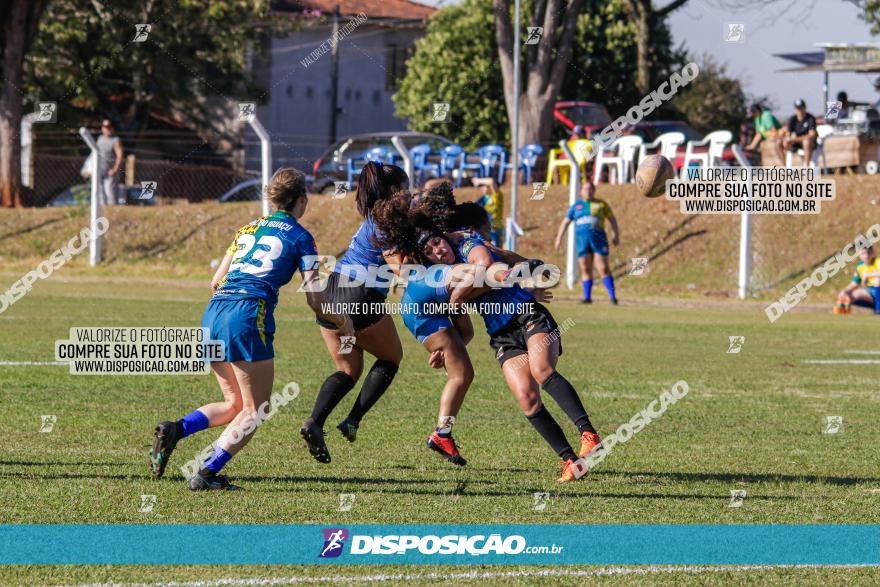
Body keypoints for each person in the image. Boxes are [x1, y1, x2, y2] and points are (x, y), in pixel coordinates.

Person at [149, 168, 333, 490]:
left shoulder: (247, 228)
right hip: (247, 314)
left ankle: (176, 429)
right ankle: (207, 474)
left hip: (214, 312)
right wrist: (338, 320)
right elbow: (314, 296)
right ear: (302, 199)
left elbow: (215, 281)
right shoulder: (302, 236)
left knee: (235, 404)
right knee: (255, 410)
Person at [300, 161, 409, 463]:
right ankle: (352, 420)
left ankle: (315, 422)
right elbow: (400, 268)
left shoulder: (372, 217)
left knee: (348, 370)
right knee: (391, 358)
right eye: (406, 189)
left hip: (332, 291)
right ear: (393, 191)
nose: (409, 195)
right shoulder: (388, 220)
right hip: (362, 294)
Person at [553, 179, 620, 304]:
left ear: (594, 190)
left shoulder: (601, 204)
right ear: (581, 191)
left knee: (603, 268)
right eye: (585, 189)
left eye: (591, 189)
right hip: (582, 242)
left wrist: (616, 235)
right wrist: (558, 239)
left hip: (599, 241)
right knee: (585, 268)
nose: (588, 191)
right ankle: (587, 297)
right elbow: (565, 222)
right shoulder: (576, 206)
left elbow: (612, 220)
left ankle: (612, 297)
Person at [835, 245, 880, 315]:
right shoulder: (859, 266)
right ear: (859, 255)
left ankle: (878, 311)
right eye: (863, 253)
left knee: (877, 281)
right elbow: (854, 284)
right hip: (870, 292)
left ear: (872, 253)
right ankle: (842, 315)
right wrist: (844, 291)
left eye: (868, 253)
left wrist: (868, 275)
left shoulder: (878, 261)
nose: (866, 256)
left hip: (877, 289)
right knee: (849, 295)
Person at [96, 120, 123, 206]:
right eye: (104, 127)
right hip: (99, 170)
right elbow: (94, 154)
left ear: (112, 128)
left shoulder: (115, 140)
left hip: (110, 171)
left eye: (108, 127)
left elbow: (119, 156)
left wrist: (115, 169)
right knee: (100, 194)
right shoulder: (100, 139)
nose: (106, 129)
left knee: (110, 193)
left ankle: (112, 212)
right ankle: (102, 213)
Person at [783, 99, 818, 167]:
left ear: (805, 108)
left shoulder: (810, 118)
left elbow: (812, 135)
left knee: (806, 142)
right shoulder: (792, 119)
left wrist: (795, 139)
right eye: (797, 108)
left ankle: (806, 167)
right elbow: (788, 134)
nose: (799, 110)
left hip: (810, 143)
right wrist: (787, 140)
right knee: (781, 142)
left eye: (801, 108)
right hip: (796, 143)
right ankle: (786, 167)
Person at [472, 177, 505, 246]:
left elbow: (491, 181)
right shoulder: (483, 199)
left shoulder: (497, 197)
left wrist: (478, 180)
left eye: (486, 186)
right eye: (483, 186)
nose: (483, 188)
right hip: (484, 230)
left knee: (496, 253)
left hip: (494, 229)